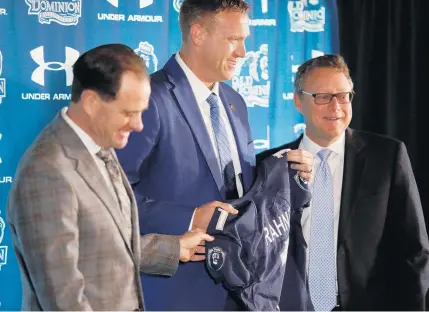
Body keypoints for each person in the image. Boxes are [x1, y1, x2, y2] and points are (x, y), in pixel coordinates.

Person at [115, 0, 313, 310]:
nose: (243, 52)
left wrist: (286, 175)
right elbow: (112, 198)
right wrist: (191, 218)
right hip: (177, 292)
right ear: (198, 34)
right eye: (234, 39)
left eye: (244, 40)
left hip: (242, 289)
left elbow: (240, 186)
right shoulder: (148, 99)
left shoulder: (234, 101)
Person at [6, 44, 214, 311]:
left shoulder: (100, 143)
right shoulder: (46, 172)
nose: (138, 125)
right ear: (92, 103)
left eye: (141, 111)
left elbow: (103, 243)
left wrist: (173, 248)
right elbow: (64, 298)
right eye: (128, 113)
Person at [257, 54, 429, 310]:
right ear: (298, 102)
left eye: (343, 95)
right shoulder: (269, 165)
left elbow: (415, 250)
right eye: (323, 97)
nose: (336, 106)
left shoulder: (387, 157)